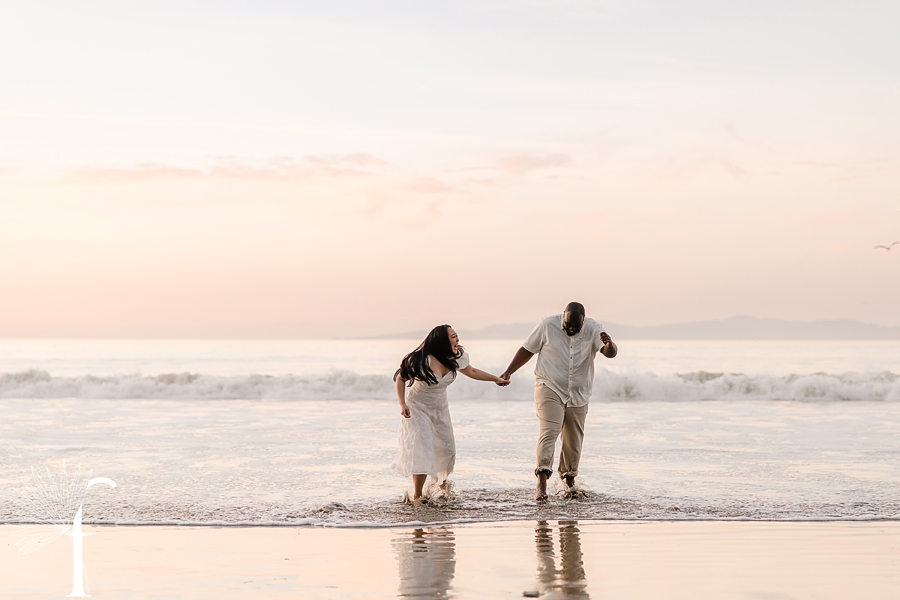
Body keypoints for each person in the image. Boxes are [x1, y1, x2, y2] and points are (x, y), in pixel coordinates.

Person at [500, 302, 617, 501]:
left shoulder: (594, 328)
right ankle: (541, 482)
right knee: (549, 430)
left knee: (573, 441)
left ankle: (569, 482)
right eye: (567, 324)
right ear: (563, 316)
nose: (570, 329)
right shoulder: (547, 325)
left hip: (579, 393)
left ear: (583, 321)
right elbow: (527, 349)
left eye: (575, 326)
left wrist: (609, 345)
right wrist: (508, 371)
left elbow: (609, 353)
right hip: (549, 386)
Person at [392, 324, 509, 502]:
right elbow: (401, 378)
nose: (457, 339)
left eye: (456, 336)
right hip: (417, 408)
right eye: (453, 336)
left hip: (440, 408)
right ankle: (417, 495)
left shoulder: (456, 357)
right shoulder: (422, 360)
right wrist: (403, 404)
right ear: (441, 341)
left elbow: (472, 371)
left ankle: (442, 489)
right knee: (422, 449)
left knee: (446, 448)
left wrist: (495, 379)